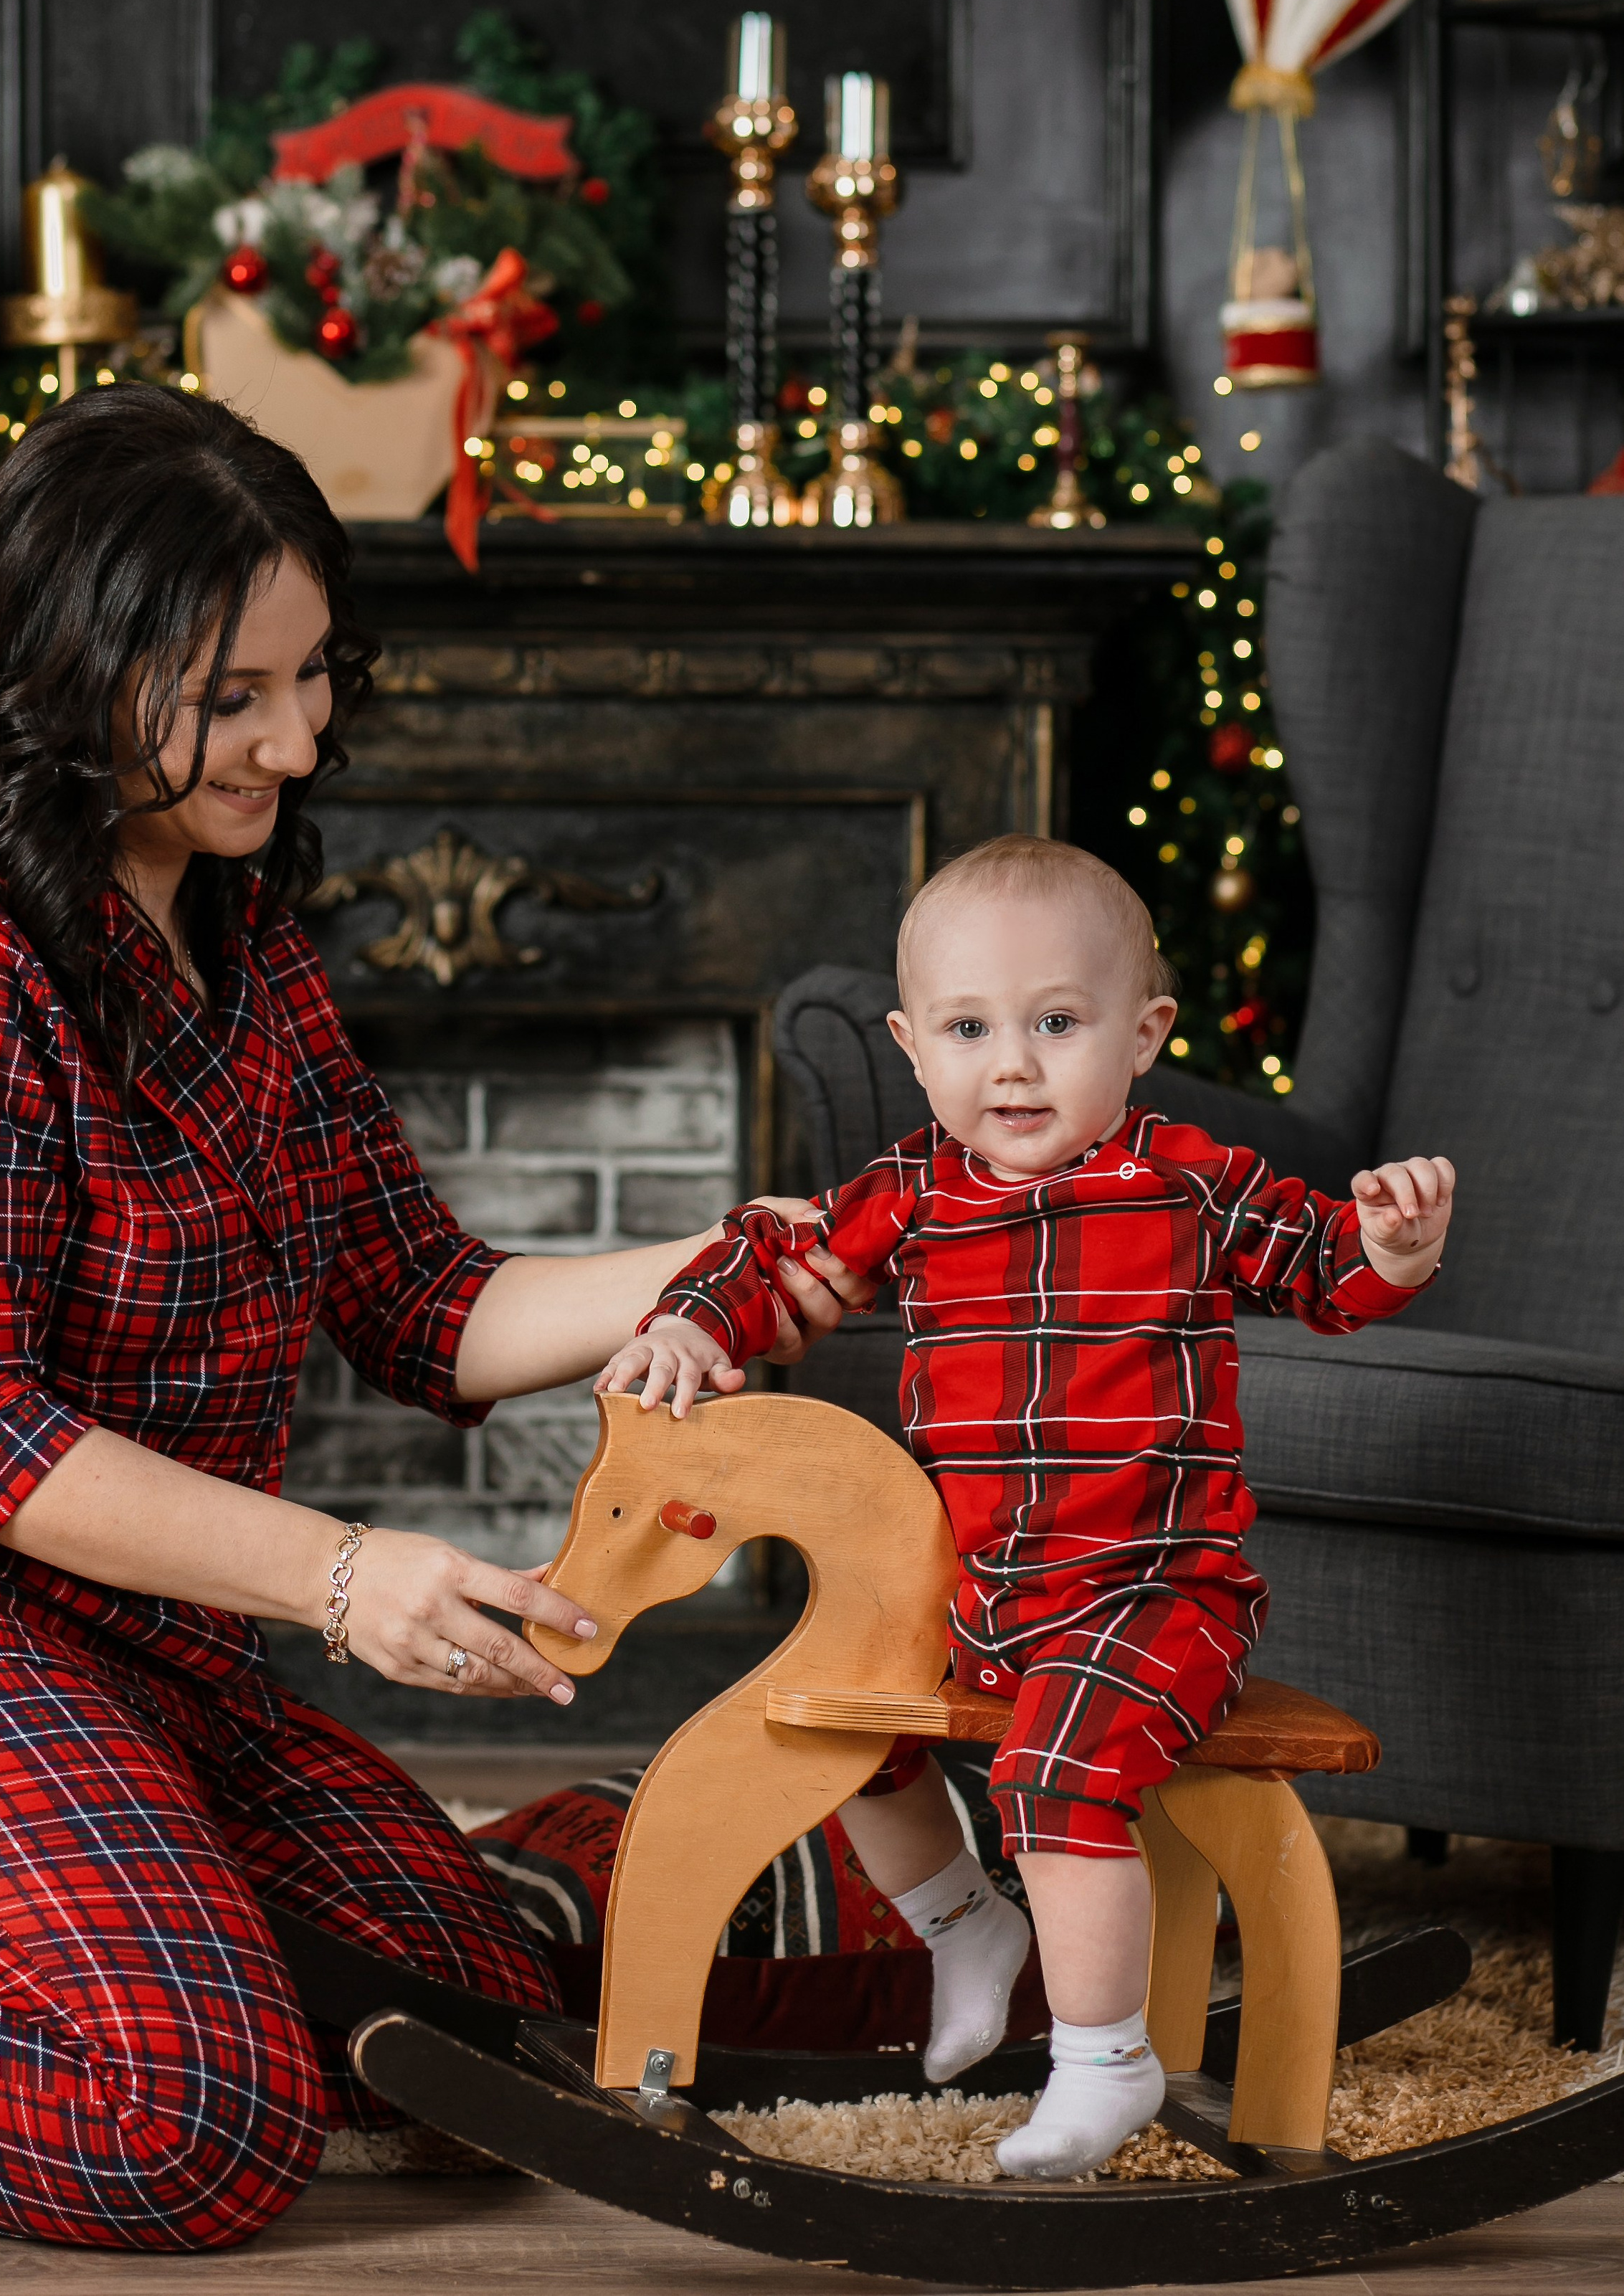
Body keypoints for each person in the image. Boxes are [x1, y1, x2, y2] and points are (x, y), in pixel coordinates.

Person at [0, 384, 859, 2251]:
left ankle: (421, 1887)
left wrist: (732, 1251)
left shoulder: (250, 948)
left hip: (157, 1656)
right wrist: (352, 1580)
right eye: (232, 697)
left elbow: (423, 1307)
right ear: (73, 675)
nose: (299, 736)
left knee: (477, 2027)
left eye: (312, 677)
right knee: (190, 2121)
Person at [599, 833, 1455, 2179]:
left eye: (1058, 1023)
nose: (1014, 1062)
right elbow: (783, 1259)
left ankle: (1105, 2059)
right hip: (990, 1592)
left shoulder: (1188, 1182)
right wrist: (693, 1323)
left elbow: (1327, 1271)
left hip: (1158, 1589)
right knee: (831, 1720)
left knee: (1054, 1776)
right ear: (913, 1047)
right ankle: (962, 1925)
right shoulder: (915, 1196)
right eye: (970, 1028)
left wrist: (1393, 1244)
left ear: (1142, 1033)